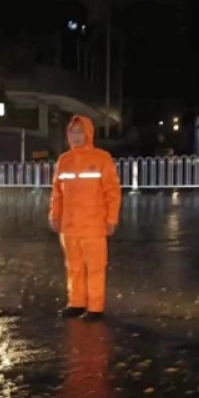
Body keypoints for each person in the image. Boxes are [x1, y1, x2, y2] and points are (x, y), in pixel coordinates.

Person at [49, 115, 122, 321]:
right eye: (73, 132)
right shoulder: (64, 160)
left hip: (94, 226)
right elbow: (57, 193)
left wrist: (111, 220)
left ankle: (95, 307)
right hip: (69, 226)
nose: (77, 136)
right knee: (74, 267)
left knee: (95, 268)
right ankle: (76, 303)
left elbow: (112, 192)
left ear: (88, 133)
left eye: (80, 132)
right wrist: (55, 216)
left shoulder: (101, 158)